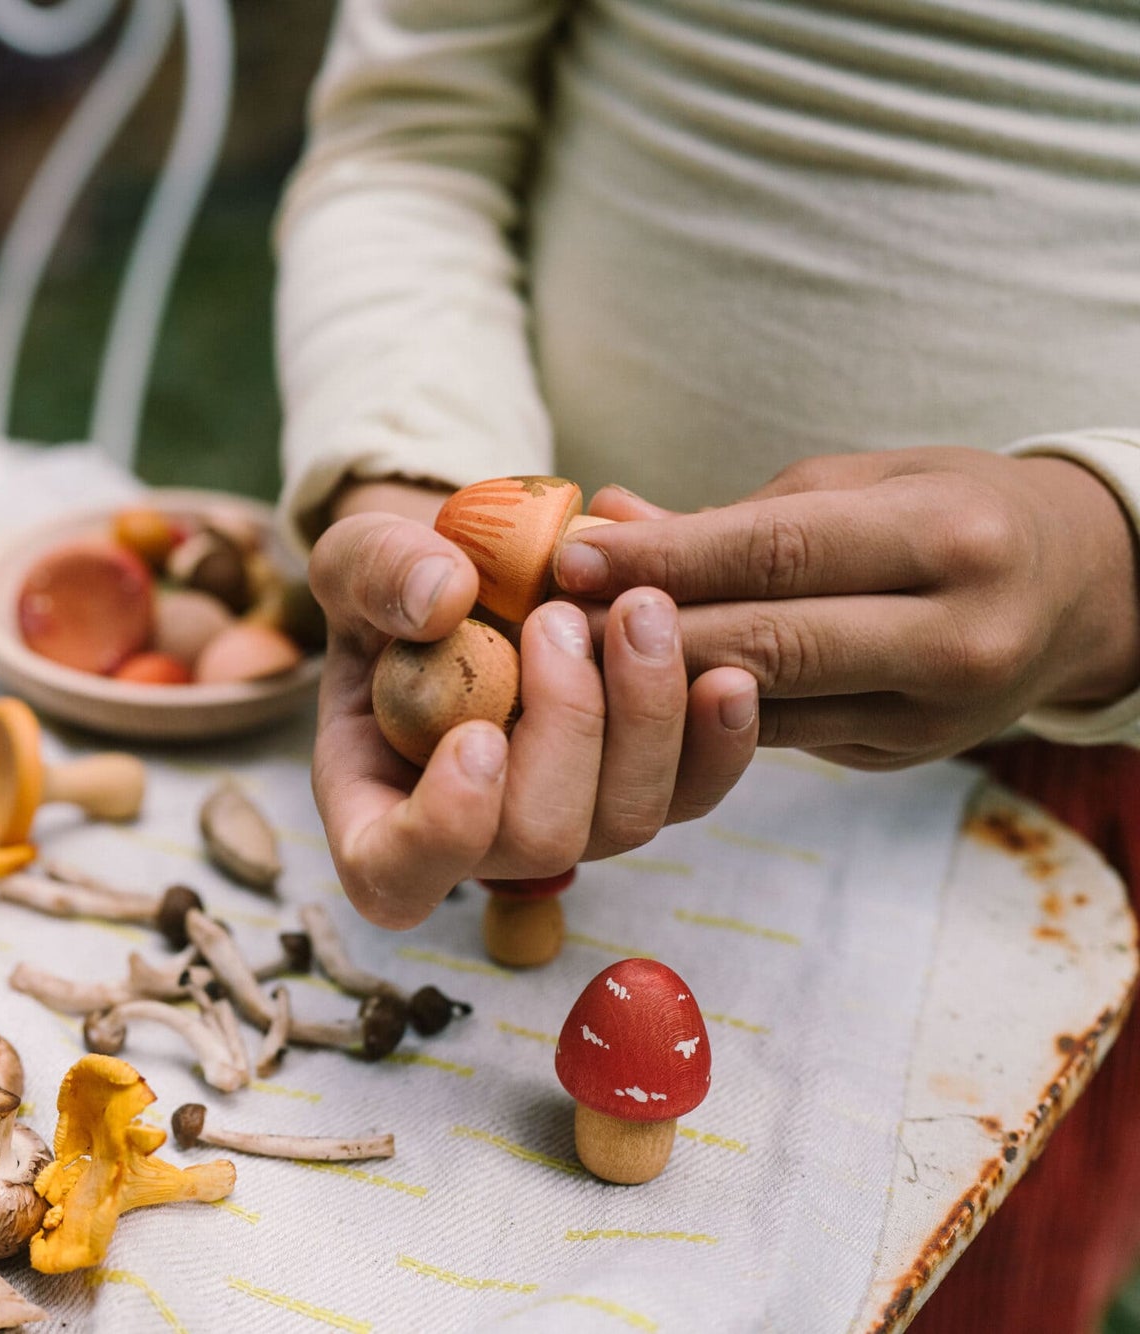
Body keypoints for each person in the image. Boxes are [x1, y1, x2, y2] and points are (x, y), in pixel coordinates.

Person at [275, 3, 1140, 1330]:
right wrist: (420, 483)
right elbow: (410, 138)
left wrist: (1109, 556)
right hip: (538, 746)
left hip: (1068, 786)